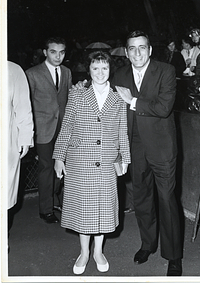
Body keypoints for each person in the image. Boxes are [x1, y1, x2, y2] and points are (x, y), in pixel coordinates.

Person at [52, 51, 130, 275]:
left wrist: (124, 157)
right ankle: (84, 252)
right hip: (80, 161)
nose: (100, 73)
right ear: (89, 71)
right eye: (95, 68)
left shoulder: (118, 98)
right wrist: (59, 157)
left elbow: (122, 131)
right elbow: (66, 127)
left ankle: (98, 251)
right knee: (83, 210)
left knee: (103, 209)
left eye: (104, 68)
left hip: (106, 161)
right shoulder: (77, 95)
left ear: (110, 70)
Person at [113, 30, 183, 276]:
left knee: (166, 200)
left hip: (162, 147)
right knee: (142, 199)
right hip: (134, 146)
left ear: (150, 50)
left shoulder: (165, 71)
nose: (137, 53)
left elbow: (164, 108)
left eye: (142, 47)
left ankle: (173, 256)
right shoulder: (120, 74)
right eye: (132, 48)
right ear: (126, 51)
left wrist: (132, 101)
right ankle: (147, 244)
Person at [26, 37, 72, 223]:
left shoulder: (67, 72)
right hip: (43, 129)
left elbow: (69, 100)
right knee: (46, 168)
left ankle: (56, 200)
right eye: (53, 52)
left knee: (62, 167)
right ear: (45, 52)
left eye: (61, 52)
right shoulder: (32, 73)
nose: (58, 56)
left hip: (63, 128)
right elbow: (27, 105)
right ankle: (46, 209)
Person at [8, 61, 34, 229]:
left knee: (4, 195)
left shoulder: (13, 70)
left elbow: (23, 107)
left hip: (6, 143)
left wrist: (25, 137)